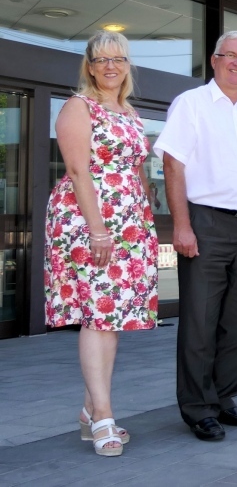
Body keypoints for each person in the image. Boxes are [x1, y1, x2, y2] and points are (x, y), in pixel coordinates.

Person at [154, 30, 237, 442]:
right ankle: (197, 408)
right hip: (205, 221)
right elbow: (173, 166)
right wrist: (181, 225)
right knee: (200, 321)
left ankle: (224, 398)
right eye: (231, 55)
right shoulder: (190, 105)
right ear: (214, 59)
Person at [44, 30, 158, 457]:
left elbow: (136, 172)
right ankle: (104, 417)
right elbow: (77, 171)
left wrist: (142, 222)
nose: (111, 66)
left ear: (128, 66)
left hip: (127, 227)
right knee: (99, 314)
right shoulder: (79, 107)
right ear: (90, 66)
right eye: (102, 59)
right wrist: (98, 229)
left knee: (111, 318)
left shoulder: (129, 112)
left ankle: (92, 409)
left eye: (119, 59)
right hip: (90, 222)